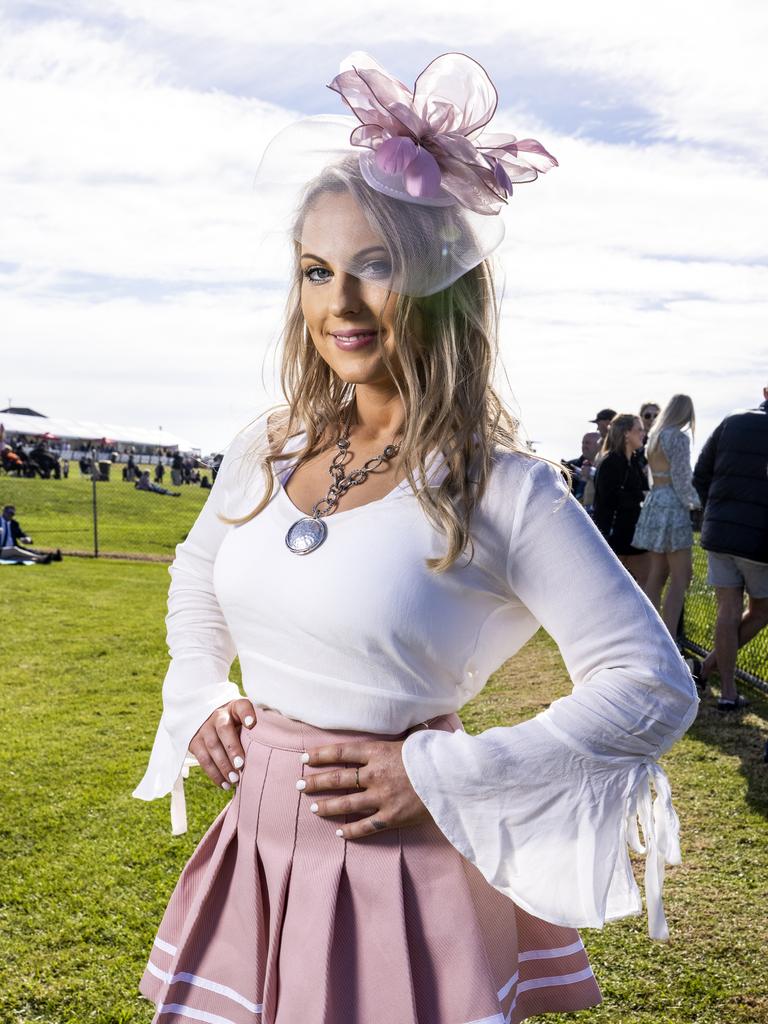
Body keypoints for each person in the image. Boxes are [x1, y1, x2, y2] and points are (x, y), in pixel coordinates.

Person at [132, 53, 697, 1024]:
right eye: (317, 270)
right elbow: (198, 571)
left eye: (375, 266)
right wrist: (197, 697)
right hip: (257, 848)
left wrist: (437, 775)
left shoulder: (502, 487)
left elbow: (650, 686)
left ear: (437, 281)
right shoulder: (265, 444)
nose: (339, 303)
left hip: (399, 870)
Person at [691, 387, 768, 711]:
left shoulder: (732, 421)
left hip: (719, 532)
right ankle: (712, 673)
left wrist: (717, 510)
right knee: (762, 611)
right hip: (758, 538)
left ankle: (723, 686)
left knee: (727, 612)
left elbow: (701, 475)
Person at [633, 395, 699, 639]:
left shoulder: (655, 437)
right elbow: (682, 477)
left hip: (654, 501)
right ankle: (668, 637)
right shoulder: (678, 437)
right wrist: (695, 502)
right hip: (672, 504)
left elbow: (653, 476)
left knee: (656, 575)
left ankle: (650, 634)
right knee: (682, 576)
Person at [592, 413, 650, 586]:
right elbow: (609, 499)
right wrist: (641, 497)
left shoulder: (633, 461)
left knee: (645, 583)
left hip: (633, 536)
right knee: (611, 587)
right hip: (614, 537)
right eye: (639, 430)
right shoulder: (610, 462)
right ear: (626, 433)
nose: (643, 434)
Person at [580, 409, 615, 511]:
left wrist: (590, 472)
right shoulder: (604, 445)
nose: (597, 428)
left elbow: (610, 478)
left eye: (598, 423)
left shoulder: (614, 448)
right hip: (592, 506)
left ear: (607, 423)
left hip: (603, 508)